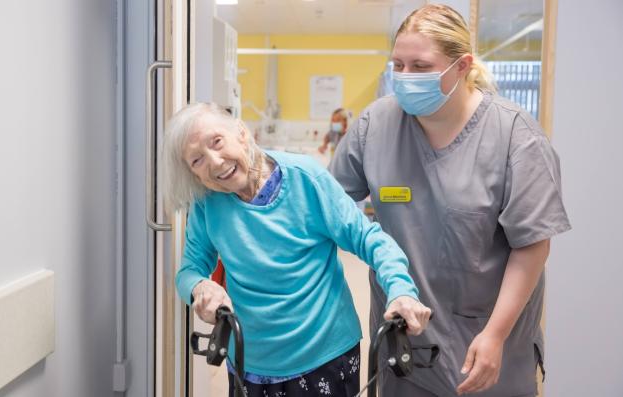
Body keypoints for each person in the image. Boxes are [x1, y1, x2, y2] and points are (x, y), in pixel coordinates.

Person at [329, 4, 570, 397]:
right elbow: (324, 207)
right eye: (398, 65)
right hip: (404, 346)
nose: (405, 78)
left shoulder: (516, 137)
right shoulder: (375, 126)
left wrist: (495, 336)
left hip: (488, 347)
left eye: (421, 66)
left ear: (462, 66)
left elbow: (532, 246)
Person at [162, 102, 432, 397]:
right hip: (251, 361)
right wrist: (200, 286)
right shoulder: (207, 204)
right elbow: (189, 269)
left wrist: (401, 289)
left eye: (216, 142)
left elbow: (371, 240)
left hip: (326, 354)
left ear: (241, 132)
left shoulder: (306, 179)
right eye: (197, 160)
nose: (214, 162)